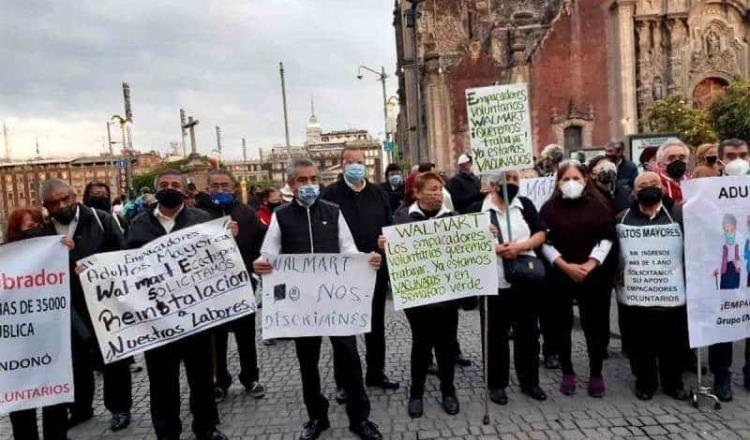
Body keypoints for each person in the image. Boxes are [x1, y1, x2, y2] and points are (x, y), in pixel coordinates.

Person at [253, 159, 383, 440]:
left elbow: (348, 249)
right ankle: (316, 417)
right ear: (290, 184)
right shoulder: (281, 215)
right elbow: (269, 252)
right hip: (302, 306)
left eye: (313, 178)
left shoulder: (334, 212)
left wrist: (366, 260)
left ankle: (359, 418)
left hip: (335, 301)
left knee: (350, 358)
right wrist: (260, 264)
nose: (309, 184)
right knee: (307, 363)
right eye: (302, 180)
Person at [126, 170, 228, 440]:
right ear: (155, 189)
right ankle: (167, 432)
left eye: (175, 185)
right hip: (158, 322)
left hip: (195, 318)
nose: (169, 188)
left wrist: (230, 238)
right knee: (161, 383)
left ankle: (206, 428)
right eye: (164, 185)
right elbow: (125, 266)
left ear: (185, 191)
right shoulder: (138, 224)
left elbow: (217, 262)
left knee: (202, 379)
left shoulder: (202, 220)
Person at [38, 179, 134, 431]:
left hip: (103, 301)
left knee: (113, 357)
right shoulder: (43, 229)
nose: (62, 205)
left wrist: (91, 266)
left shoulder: (100, 218)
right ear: (45, 206)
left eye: (65, 198)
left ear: (74, 195)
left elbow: (120, 254)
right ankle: (80, 408)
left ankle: (120, 408)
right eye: (54, 203)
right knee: (74, 360)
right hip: (67, 306)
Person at [322, 147, 400, 402]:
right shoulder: (330, 195)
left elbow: (389, 226)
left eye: (359, 161)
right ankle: (344, 382)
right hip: (342, 272)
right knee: (344, 329)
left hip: (374, 268)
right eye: (349, 161)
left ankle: (376, 373)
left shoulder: (378, 192)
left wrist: (386, 241)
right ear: (341, 164)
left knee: (375, 324)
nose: (355, 165)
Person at [469, 171, 547, 405]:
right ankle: (496, 384)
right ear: (493, 183)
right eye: (506, 179)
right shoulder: (477, 209)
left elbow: (541, 233)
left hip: (525, 279)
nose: (510, 184)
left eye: (515, 179)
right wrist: (493, 247)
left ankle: (530, 381)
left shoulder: (525, 204)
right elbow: (466, 242)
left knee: (528, 333)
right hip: (494, 281)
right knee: (495, 335)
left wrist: (520, 247)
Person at [540, 161, 615, 397]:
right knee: (561, 327)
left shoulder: (600, 206)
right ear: (558, 183)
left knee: (594, 327)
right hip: (559, 275)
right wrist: (564, 266)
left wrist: (589, 265)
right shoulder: (549, 208)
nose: (571, 183)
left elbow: (606, 238)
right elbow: (544, 241)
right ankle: (568, 371)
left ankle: (596, 373)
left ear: (585, 180)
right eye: (566, 179)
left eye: (576, 178)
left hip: (593, 275)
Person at [389, 172, 461, 418]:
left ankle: (448, 391)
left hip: (447, 296)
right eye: (431, 190)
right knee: (421, 344)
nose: (437, 194)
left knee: (447, 345)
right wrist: (384, 246)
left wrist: (485, 234)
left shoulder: (454, 219)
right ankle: (416, 393)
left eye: (440, 189)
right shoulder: (400, 220)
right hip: (417, 297)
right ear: (417, 193)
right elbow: (396, 258)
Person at [616, 172, 688, 401]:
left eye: (654, 183)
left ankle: (673, 383)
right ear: (634, 192)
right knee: (640, 344)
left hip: (671, 294)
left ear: (663, 188)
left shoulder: (678, 214)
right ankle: (645, 382)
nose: (649, 187)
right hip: (637, 296)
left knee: (673, 344)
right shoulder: (621, 218)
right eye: (643, 184)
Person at [196, 169, 266, 403]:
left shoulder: (247, 213)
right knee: (215, 338)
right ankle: (219, 381)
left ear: (234, 187)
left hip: (241, 283)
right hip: (211, 288)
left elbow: (259, 242)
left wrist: (257, 266)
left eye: (224, 185)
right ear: (207, 188)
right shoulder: (199, 215)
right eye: (214, 185)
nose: (220, 190)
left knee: (246, 334)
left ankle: (250, 377)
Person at [4, 208, 73, 440]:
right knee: (21, 402)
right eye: (29, 226)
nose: (37, 230)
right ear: (15, 231)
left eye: (38, 225)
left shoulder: (54, 252)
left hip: (50, 337)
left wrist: (65, 252)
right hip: (17, 346)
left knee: (54, 398)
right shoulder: (5, 260)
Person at [704, 138, 750, 402]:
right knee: (724, 321)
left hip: (748, 261)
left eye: (743, 155)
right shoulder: (707, 191)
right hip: (723, 266)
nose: (738, 161)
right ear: (720, 160)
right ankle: (722, 377)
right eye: (731, 156)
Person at [654, 138, 690, 205]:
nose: (677, 161)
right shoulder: (655, 186)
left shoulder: (693, 182)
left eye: (682, 158)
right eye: (671, 158)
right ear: (660, 164)